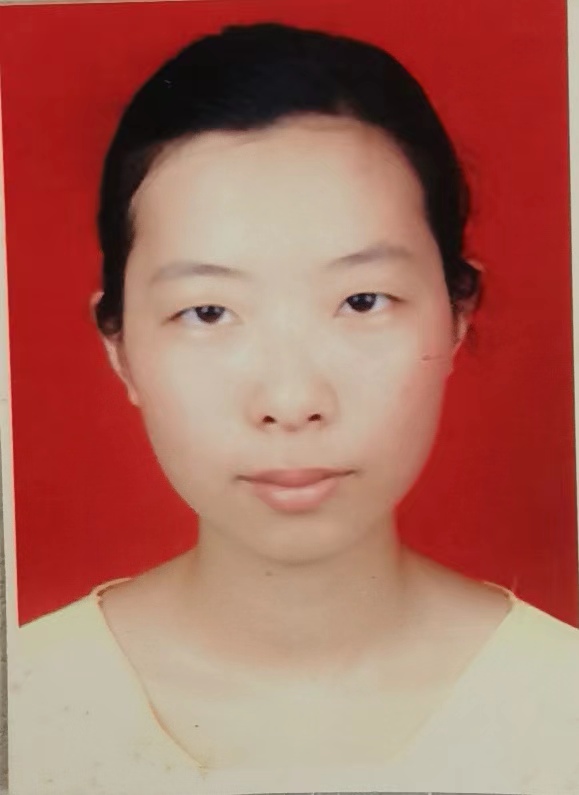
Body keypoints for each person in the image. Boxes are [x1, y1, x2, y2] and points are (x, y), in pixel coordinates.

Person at [9, 21, 579, 795]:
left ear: (456, 315)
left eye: (361, 300)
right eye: (208, 311)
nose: (290, 401)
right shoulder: (29, 700)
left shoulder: (558, 699)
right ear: (120, 346)